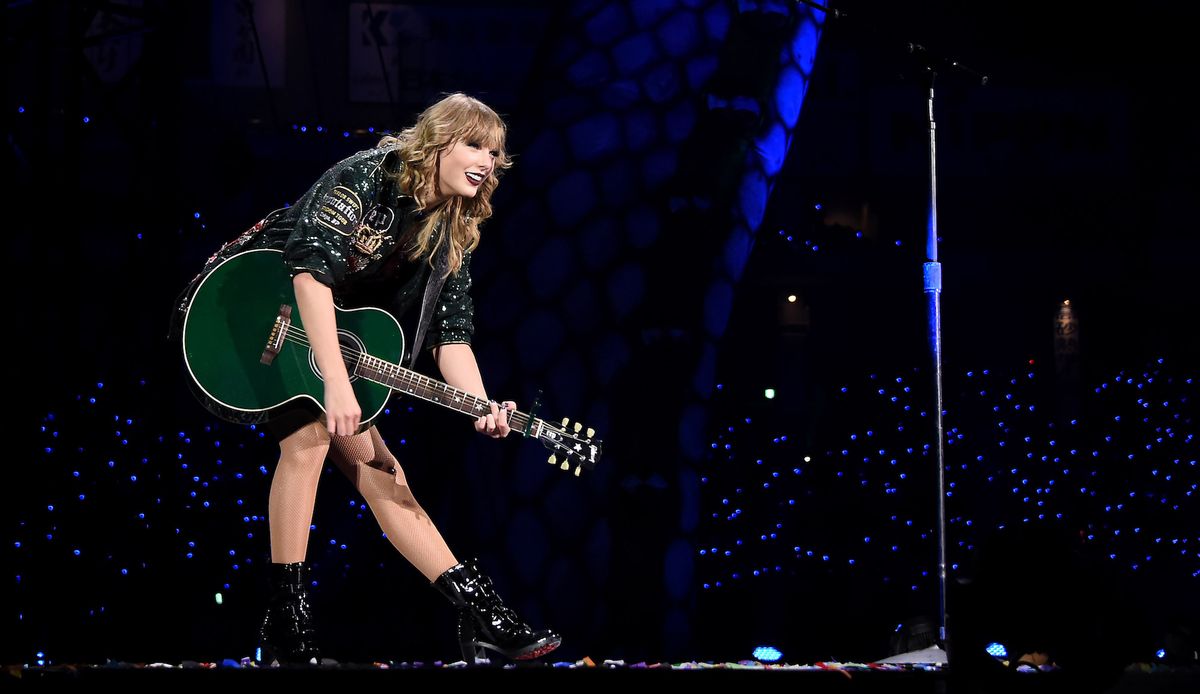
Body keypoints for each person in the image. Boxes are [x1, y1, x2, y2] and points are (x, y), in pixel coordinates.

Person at [173, 93, 560, 666]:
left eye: (495, 152)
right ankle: (287, 620)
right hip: (253, 308)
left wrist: (479, 405)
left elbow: (450, 335)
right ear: (439, 142)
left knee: (381, 470)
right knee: (310, 437)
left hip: (323, 338)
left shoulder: (452, 229)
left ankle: (481, 616)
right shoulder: (364, 177)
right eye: (475, 145)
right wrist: (335, 380)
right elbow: (309, 273)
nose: (488, 161)